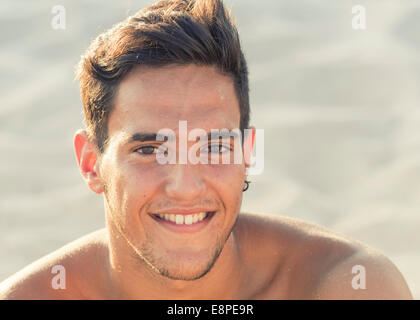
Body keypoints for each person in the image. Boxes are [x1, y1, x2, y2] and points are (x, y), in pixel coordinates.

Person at [0, 0, 413, 299]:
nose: (184, 186)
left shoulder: (343, 286)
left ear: (247, 154)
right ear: (91, 163)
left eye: (214, 146)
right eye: (149, 149)